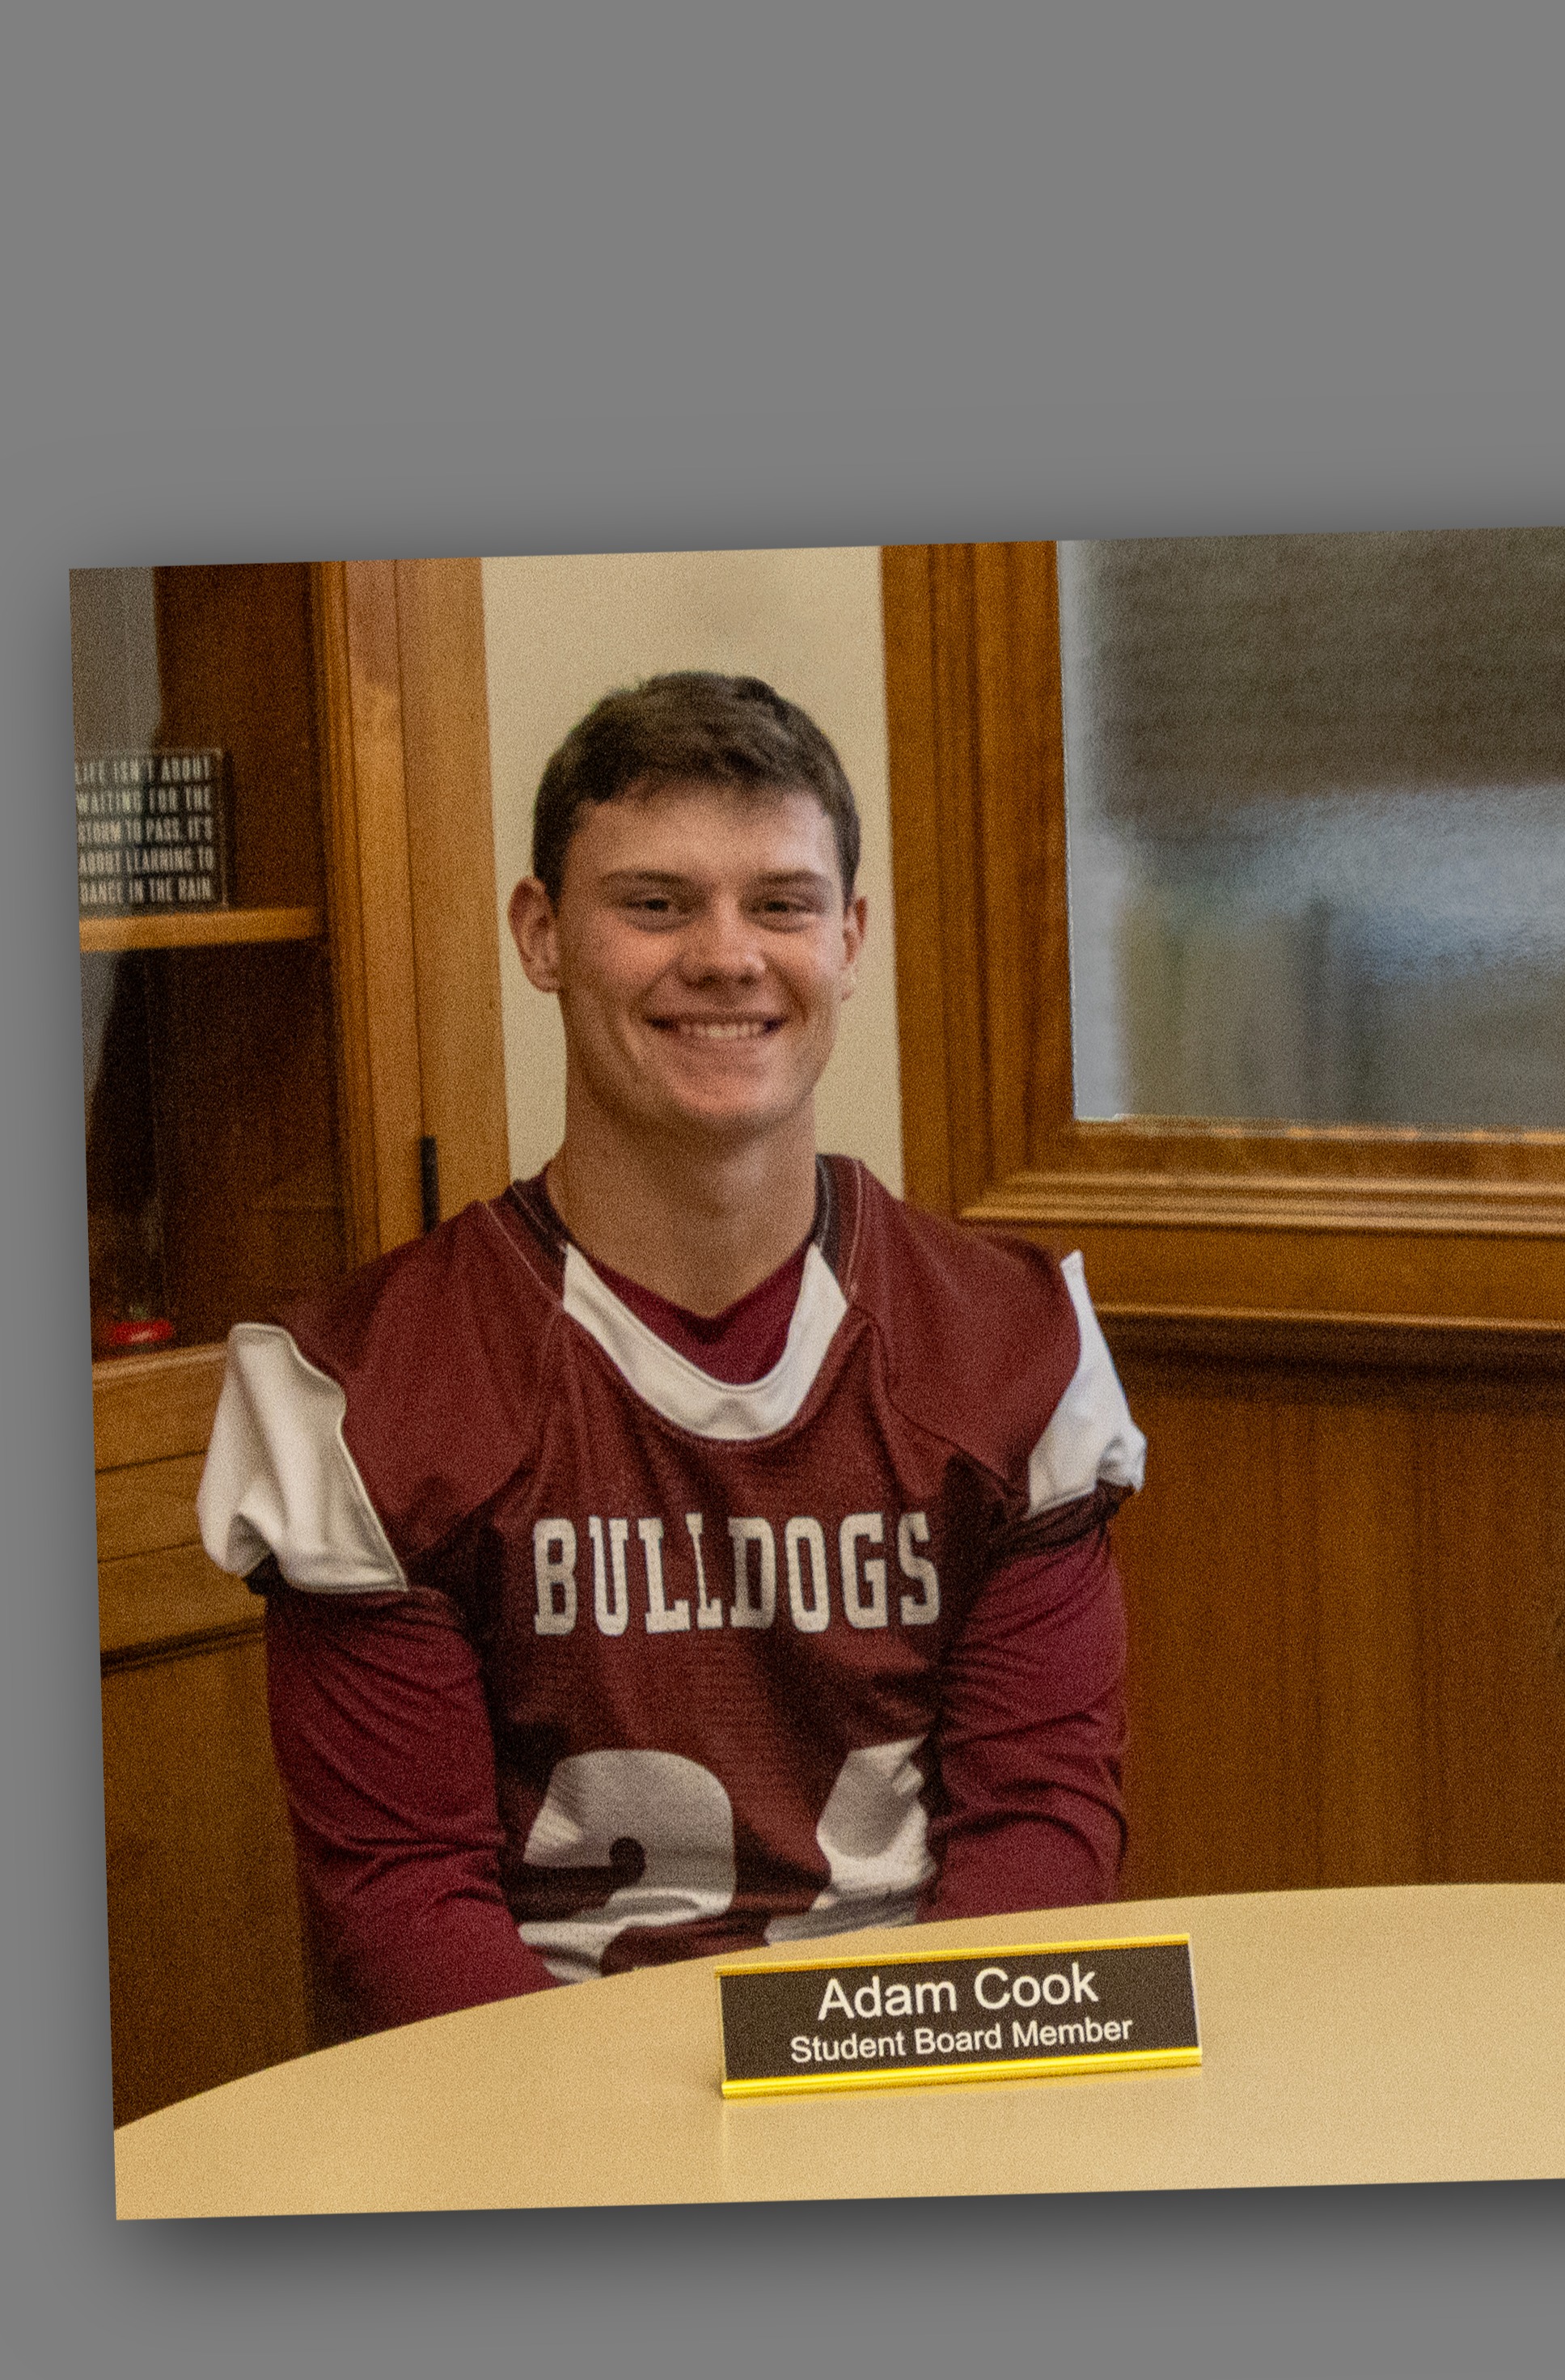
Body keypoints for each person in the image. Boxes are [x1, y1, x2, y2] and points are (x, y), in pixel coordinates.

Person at [198, 671, 1146, 2031]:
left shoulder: (1009, 1347)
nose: (725, 955)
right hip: (534, 2104)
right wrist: (639, 2138)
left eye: (782, 905)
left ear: (851, 939)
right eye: (655, 904)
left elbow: (1039, 1839)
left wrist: (866, 2104)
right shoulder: (370, 1388)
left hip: (913, 2079)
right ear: (541, 936)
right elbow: (406, 1907)